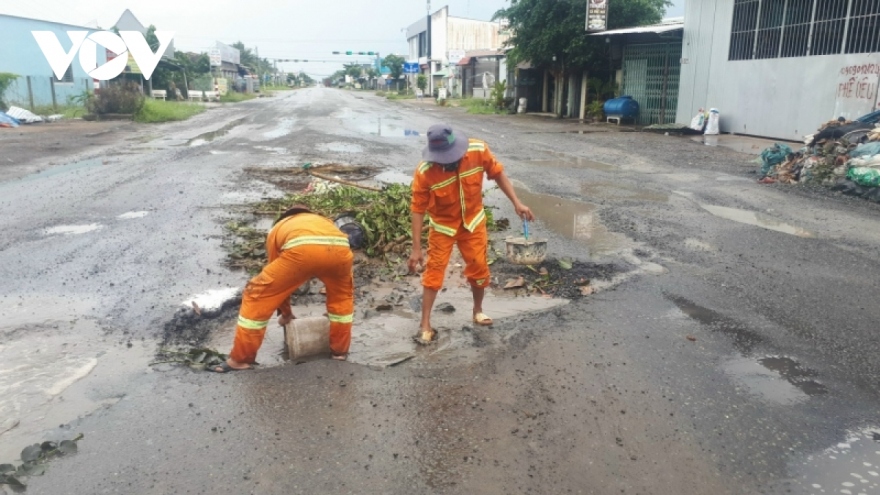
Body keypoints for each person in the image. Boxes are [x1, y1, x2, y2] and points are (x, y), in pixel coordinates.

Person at [408, 124, 535, 343]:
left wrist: (517, 203)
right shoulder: (425, 172)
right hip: (443, 227)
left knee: (479, 268)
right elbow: (417, 209)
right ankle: (425, 324)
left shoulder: (478, 150)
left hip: (473, 223)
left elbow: (498, 174)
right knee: (434, 273)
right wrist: (416, 248)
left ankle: (477, 311)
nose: (447, 164)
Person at [210, 206, 355, 372]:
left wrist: (286, 314)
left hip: (303, 252)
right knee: (341, 299)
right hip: (342, 252)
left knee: (256, 294)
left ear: (284, 218)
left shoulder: (277, 229)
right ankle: (339, 353)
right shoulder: (322, 221)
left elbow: (278, 287)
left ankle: (240, 360)